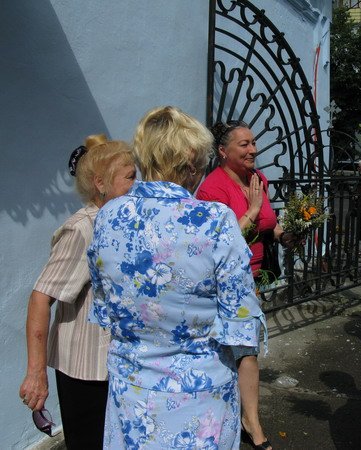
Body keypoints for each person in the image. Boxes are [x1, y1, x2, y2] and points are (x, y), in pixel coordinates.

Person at [88, 107, 267, 449]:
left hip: (132, 392)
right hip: (199, 397)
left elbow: (105, 307)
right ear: (192, 163)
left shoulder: (108, 215)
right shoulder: (214, 219)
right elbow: (240, 320)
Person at [19, 135, 136, 449]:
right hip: (86, 371)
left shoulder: (123, 222)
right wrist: (36, 373)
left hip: (118, 365)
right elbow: (41, 297)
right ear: (100, 183)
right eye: (129, 177)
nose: (136, 185)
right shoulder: (83, 229)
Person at [197, 120, 294, 450]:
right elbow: (219, 242)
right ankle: (248, 422)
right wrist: (251, 210)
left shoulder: (258, 179)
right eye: (244, 144)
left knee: (245, 350)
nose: (253, 149)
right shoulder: (211, 190)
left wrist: (284, 234)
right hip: (227, 280)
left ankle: (245, 418)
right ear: (223, 151)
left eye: (253, 143)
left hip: (254, 276)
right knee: (241, 351)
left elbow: (269, 223)